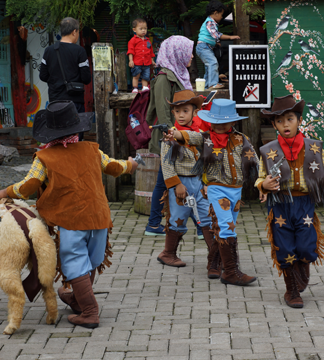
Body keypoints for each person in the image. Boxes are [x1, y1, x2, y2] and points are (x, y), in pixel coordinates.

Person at [0, 101, 138, 328]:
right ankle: (77, 299)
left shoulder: (44, 157)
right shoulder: (92, 149)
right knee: (90, 261)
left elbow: (28, 186)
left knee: (74, 263)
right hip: (99, 217)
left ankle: (90, 312)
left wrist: (5, 191)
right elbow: (114, 167)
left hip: (70, 221)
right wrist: (130, 165)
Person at [256, 95, 324, 308]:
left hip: (304, 205)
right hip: (280, 204)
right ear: (274, 124)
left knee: (305, 245)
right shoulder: (268, 151)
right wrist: (263, 185)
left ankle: (303, 267)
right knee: (284, 248)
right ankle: (291, 290)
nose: (286, 124)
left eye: (290, 119)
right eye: (281, 120)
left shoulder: (313, 149)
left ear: (299, 121)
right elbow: (260, 176)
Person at [167, 99, 259, 286]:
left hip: (236, 191)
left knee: (227, 226)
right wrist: (175, 133)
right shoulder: (205, 138)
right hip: (216, 189)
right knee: (225, 225)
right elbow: (190, 137)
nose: (218, 126)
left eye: (223, 122)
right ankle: (231, 271)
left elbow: (255, 161)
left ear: (233, 122)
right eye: (215, 122)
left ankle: (215, 263)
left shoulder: (242, 139)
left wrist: (262, 183)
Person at [158, 90, 221, 279]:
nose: (181, 115)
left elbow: (208, 158)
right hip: (180, 182)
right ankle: (168, 253)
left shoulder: (200, 135)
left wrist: (208, 181)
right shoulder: (168, 137)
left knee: (207, 216)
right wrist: (176, 184)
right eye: (177, 112)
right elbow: (166, 164)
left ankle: (216, 256)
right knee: (177, 217)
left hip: (199, 181)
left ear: (195, 112)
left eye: (186, 111)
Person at [144, 35, 194, 236]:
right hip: (170, 137)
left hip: (178, 136)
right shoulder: (164, 78)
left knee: (165, 179)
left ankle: (155, 224)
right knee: (164, 179)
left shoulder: (178, 74)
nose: (191, 56)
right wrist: (172, 136)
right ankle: (155, 224)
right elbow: (164, 112)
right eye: (188, 52)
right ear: (177, 53)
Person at [39, 17, 91, 139]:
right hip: (75, 103)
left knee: (58, 138)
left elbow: (43, 76)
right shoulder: (79, 51)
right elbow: (86, 78)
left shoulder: (49, 51)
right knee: (76, 138)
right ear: (74, 32)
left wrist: (56, 82)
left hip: (55, 103)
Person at [196, 0, 240, 90]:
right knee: (213, 63)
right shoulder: (210, 22)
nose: (222, 17)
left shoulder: (210, 22)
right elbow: (216, 34)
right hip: (203, 47)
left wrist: (215, 43)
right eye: (221, 14)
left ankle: (207, 85)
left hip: (204, 47)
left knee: (209, 66)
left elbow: (210, 36)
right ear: (216, 13)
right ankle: (213, 84)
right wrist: (230, 37)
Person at [127, 18, 156, 93]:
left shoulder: (147, 40)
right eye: (141, 29)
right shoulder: (133, 40)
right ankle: (135, 88)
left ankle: (145, 87)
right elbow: (130, 51)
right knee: (136, 76)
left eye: (145, 28)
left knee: (146, 76)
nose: (143, 30)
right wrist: (131, 60)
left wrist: (152, 60)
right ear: (134, 30)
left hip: (146, 62)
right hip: (136, 62)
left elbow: (151, 51)